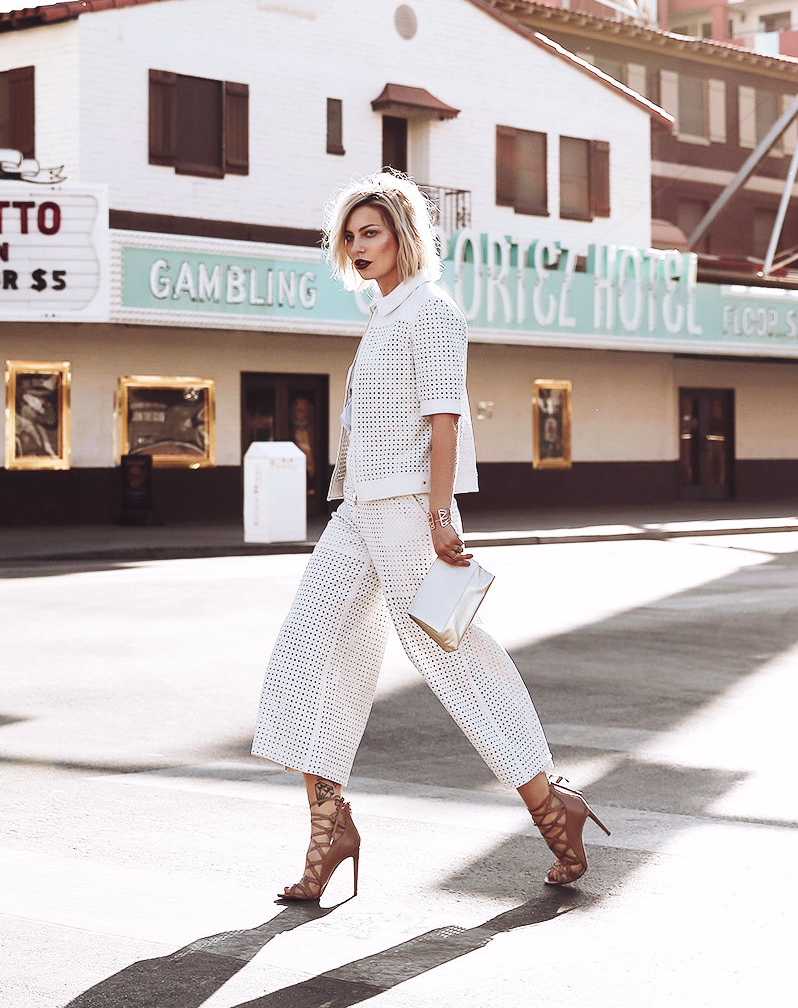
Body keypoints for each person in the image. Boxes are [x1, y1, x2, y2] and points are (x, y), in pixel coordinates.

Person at [252, 172, 606, 902]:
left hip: (412, 511)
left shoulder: (431, 312)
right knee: (307, 654)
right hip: (356, 512)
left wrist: (442, 516)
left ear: (404, 235)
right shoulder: (382, 316)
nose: (357, 246)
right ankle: (330, 825)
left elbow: (444, 420)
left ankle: (550, 806)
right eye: (350, 235)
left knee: (456, 663)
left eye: (371, 232)